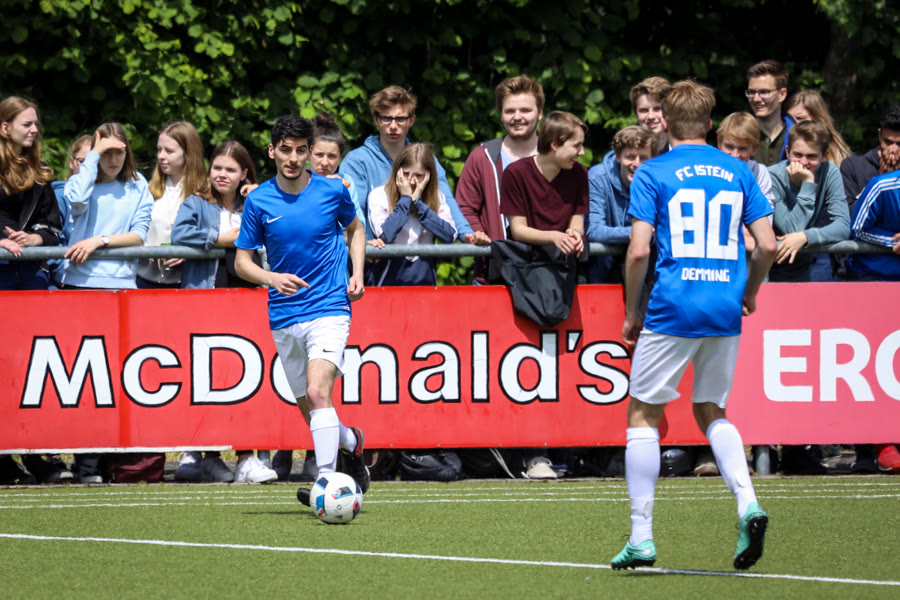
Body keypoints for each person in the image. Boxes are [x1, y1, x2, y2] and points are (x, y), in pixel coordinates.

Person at [611, 79, 776, 571]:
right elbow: (767, 245)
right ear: (709, 123)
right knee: (712, 410)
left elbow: (638, 251)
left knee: (643, 416)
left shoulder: (652, 171)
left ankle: (641, 538)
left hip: (673, 305)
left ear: (663, 120)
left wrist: (631, 311)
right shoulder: (738, 169)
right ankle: (748, 502)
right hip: (723, 306)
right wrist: (749, 293)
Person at [233, 115, 369, 505]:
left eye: (300, 150)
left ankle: (326, 482)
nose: (293, 158)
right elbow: (242, 262)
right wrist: (271, 278)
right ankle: (351, 441)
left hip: (329, 306)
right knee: (311, 410)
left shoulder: (333, 190)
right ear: (272, 151)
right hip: (284, 315)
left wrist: (358, 273)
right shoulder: (258, 200)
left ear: (310, 152)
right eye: (285, 150)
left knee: (316, 390)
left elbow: (356, 230)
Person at [170, 140, 278, 484]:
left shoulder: (257, 201)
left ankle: (247, 457)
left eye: (230, 169)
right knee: (205, 375)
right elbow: (180, 233)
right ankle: (206, 455)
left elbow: (278, 233)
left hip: (247, 299)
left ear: (244, 173)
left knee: (243, 375)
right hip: (204, 298)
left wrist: (261, 198)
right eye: (217, 167)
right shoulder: (196, 202)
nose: (222, 175)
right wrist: (222, 238)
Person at [499, 110, 589, 480]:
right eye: (576, 145)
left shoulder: (578, 174)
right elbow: (517, 229)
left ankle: (566, 449)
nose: (581, 153)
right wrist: (554, 236)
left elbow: (578, 217)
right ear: (555, 144)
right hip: (527, 276)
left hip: (565, 274)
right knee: (532, 367)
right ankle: (533, 453)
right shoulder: (516, 174)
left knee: (567, 367)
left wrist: (575, 234)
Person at [338, 85, 483, 244]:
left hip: (420, 256)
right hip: (373, 254)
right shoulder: (356, 161)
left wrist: (467, 234)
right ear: (376, 119)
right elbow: (352, 210)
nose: (393, 126)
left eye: (400, 119)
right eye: (387, 118)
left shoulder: (425, 159)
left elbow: (447, 201)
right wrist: (365, 245)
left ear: (411, 120)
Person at [456, 75, 545, 283]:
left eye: (525, 110)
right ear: (501, 115)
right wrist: (477, 234)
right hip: (493, 273)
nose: (517, 117)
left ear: (540, 112)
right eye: (509, 111)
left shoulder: (556, 156)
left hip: (546, 272)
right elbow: (464, 208)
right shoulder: (483, 157)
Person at [843, 169, 900, 473]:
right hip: (872, 280)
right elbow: (857, 229)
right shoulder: (882, 186)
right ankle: (876, 446)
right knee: (871, 369)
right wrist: (892, 241)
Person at [768, 120, 851, 283]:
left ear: (825, 156)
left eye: (811, 156)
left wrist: (806, 237)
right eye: (797, 155)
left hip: (808, 261)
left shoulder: (830, 172)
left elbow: (843, 226)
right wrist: (808, 183)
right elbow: (791, 228)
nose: (803, 162)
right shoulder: (771, 177)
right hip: (773, 265)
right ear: (787, 152)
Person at [367, 143, 457, 285]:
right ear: (397, 172)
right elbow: (384, 236)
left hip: (424, 281)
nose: (411, 181)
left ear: (429, 176)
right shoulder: (379, 195)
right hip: (387, 282)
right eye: (406, 174)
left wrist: (419, 204)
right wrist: (405, 200)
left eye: (419, 175)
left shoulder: (437, 197)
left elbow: (450, 235)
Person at [136, 121, 210, 289]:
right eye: (159, 149)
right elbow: (133, 229)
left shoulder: (206, 192)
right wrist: (145, 249)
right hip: (146, 281)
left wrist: (188, 252)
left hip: (189, 282)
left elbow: (216, 233)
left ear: (188, 153)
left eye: (169, 151)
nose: (161, 156)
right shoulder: (147, 190)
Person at [585, 125, 656, 283]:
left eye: (643, 158)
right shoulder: (597, 177)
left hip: (645, 272)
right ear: (618, 156)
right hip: (602, 273)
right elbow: (593, 230)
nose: (636, 164)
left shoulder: (658, 180)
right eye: (630, 157)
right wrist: (637, 232)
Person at [49, 135, 92, 288]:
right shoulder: (59, 196)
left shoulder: (105, 195)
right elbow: (51, 240)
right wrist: (63, 277)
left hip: (96, 278)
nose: (88, 168)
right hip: (63, 280)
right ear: (71, 162)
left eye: (94, 162)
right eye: (82, 161)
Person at [840, 104, 900, 206]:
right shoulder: (853, 167)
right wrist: (878, 184)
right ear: (880, 135)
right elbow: (848, 212)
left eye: (899, 144)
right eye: (888, 142)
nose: (893, 150)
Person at [784, 91, 852, 168]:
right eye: (788, 118)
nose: (791, 123)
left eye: (800, 118)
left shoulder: (841, 159)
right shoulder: (783, 146)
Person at [746, 60, 795, 166]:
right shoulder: (739, 134)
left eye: (764, 92)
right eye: (751, 92)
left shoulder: (797, 137)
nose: (756, 99)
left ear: (782, 94)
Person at [630, 77, 671, 155]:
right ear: (636, 114)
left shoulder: (684, 154)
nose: (650, 116)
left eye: (657, 109)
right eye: (644, 110)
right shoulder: (623, 158)